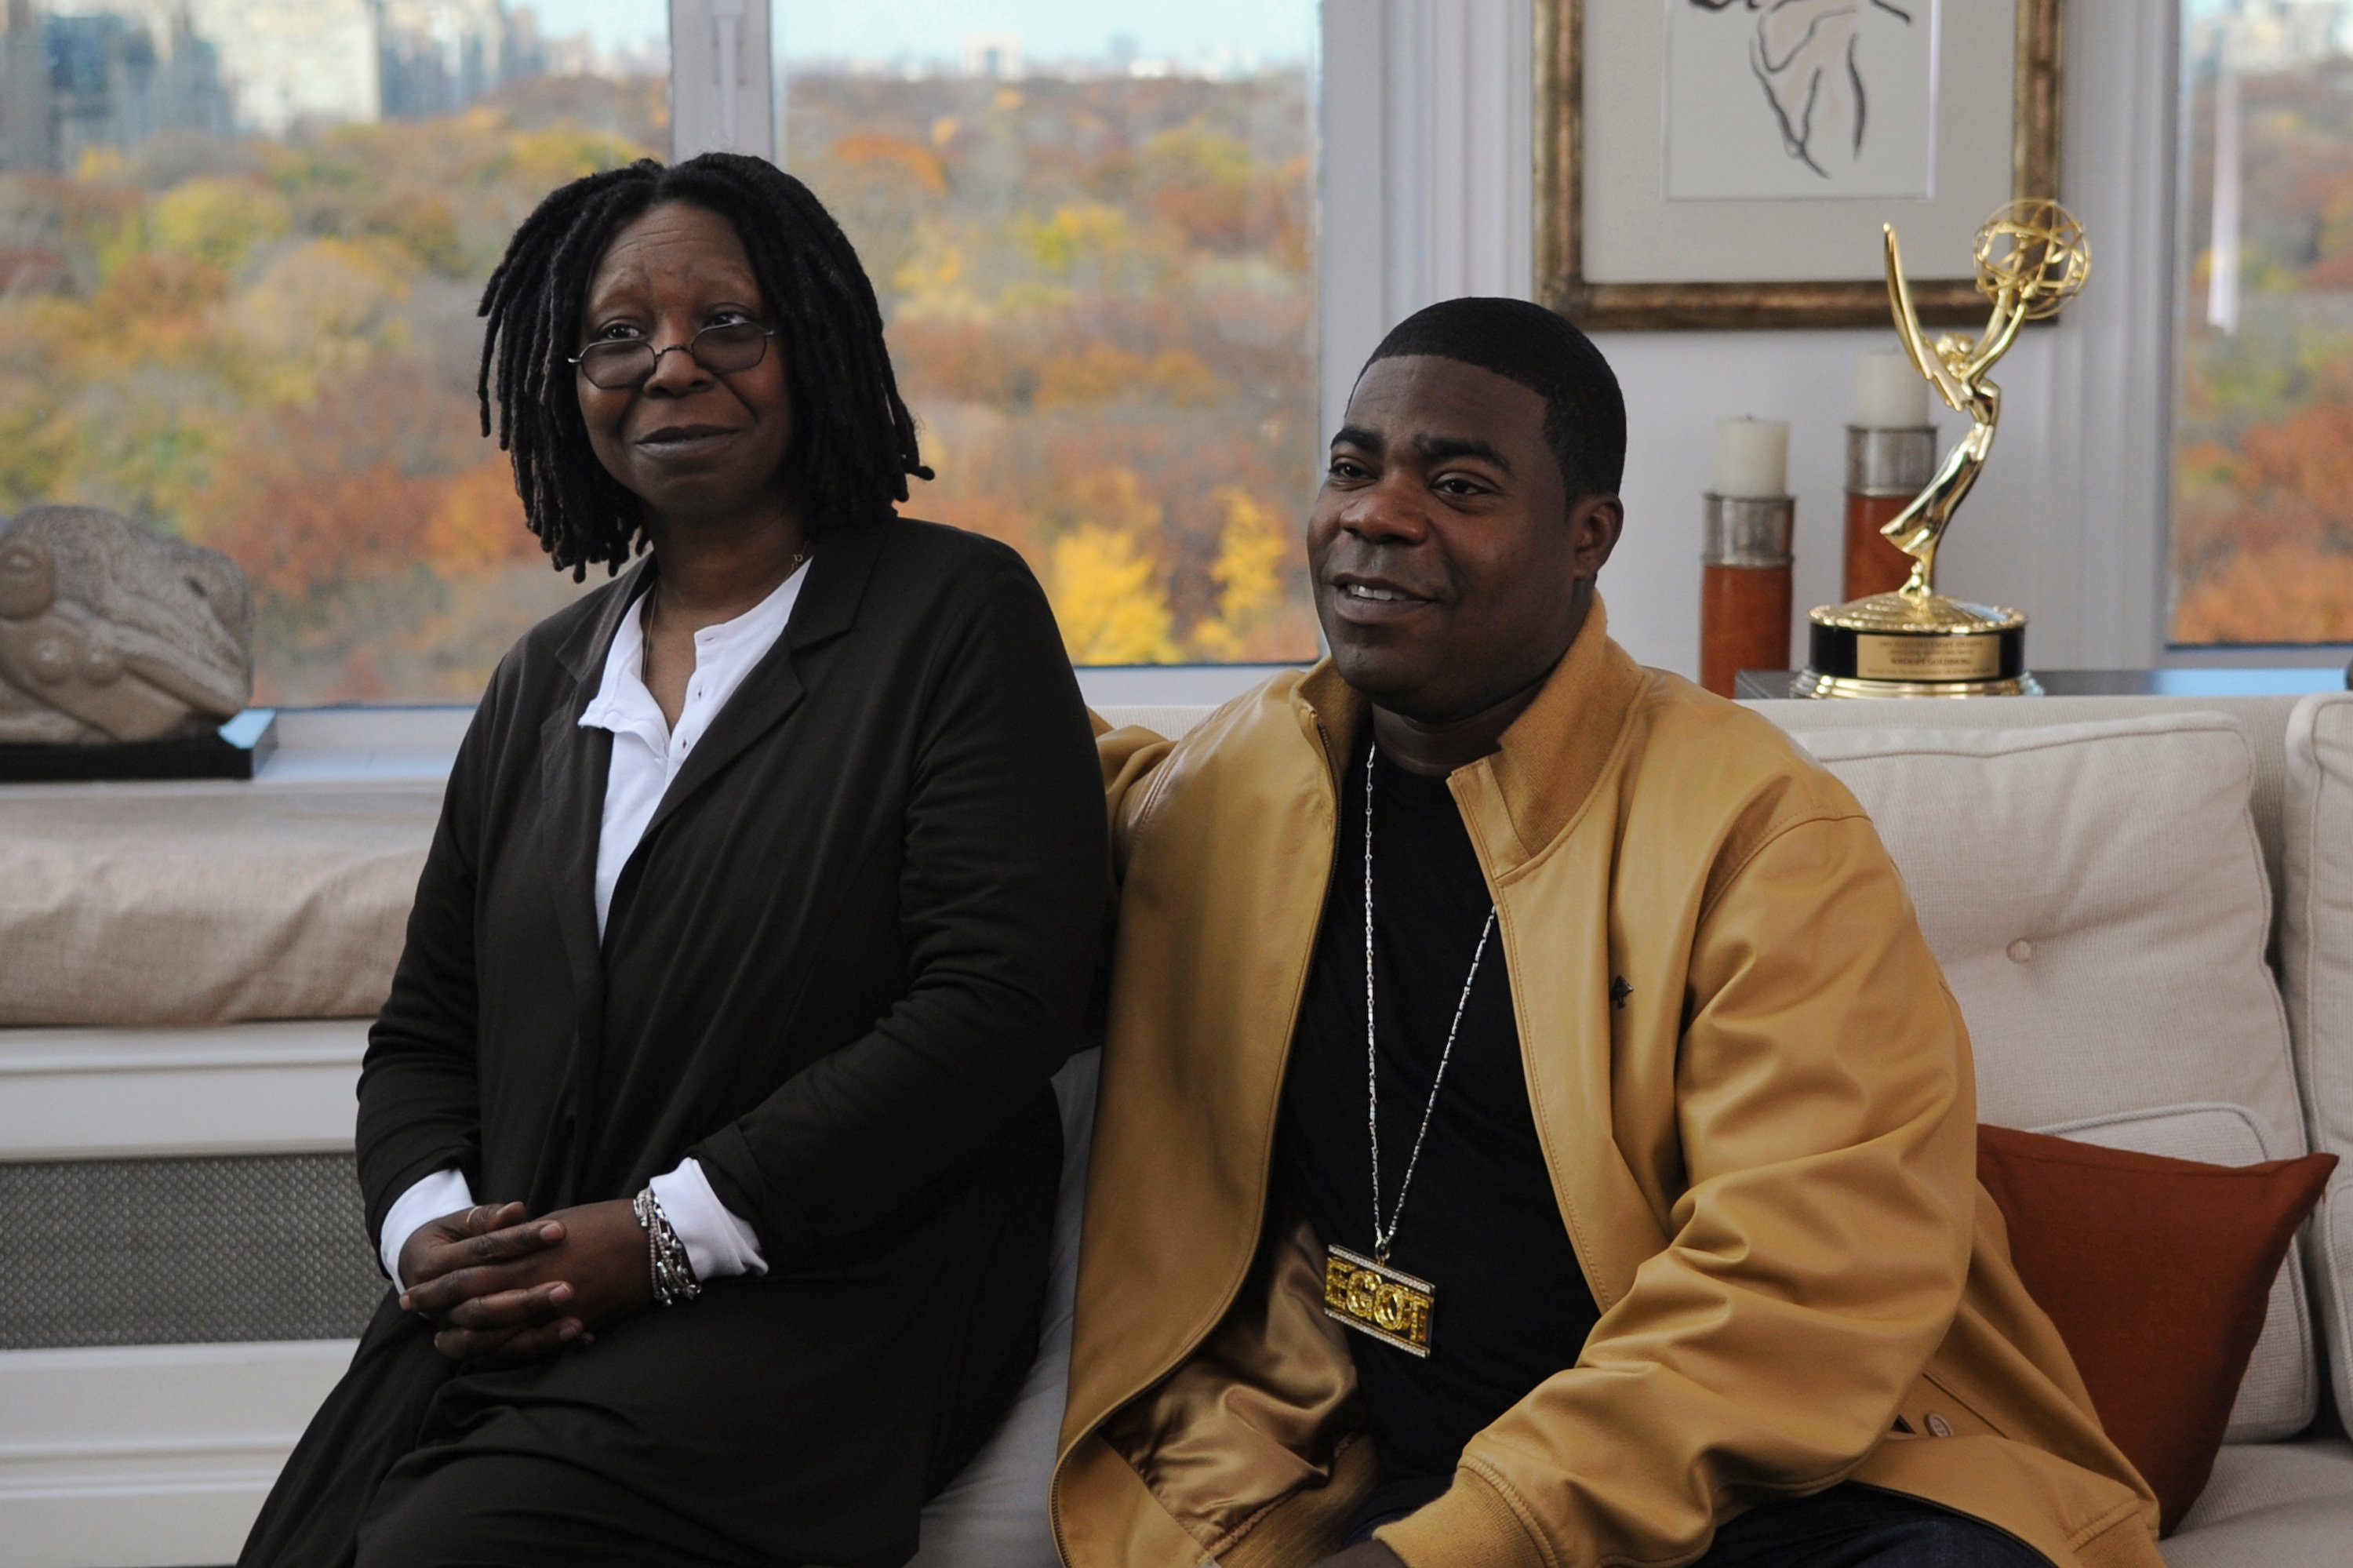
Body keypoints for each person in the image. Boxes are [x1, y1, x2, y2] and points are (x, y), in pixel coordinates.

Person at [1053, 298, 2163, 1568]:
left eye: (1458, 484)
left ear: (1588, 537)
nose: (1377, 511)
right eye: (1352, 469)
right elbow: (999, 789)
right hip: (1397, 1474)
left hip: (1788, 1494)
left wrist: (1459, 1548)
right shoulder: (1235, 788)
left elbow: (1796, 1288)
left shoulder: (1762, 834)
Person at [240, 153, 1105, 1568]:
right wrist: (430, 1234)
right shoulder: (541, 680)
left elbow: (996, 1007)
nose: (672, 367)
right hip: (540, 1303)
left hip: (831, 1293)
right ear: (566, 381)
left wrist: (659, 1234)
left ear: (814, 349)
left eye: (730, 326)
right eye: (620, 336)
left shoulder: (954, 615)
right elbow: (424, 1032)